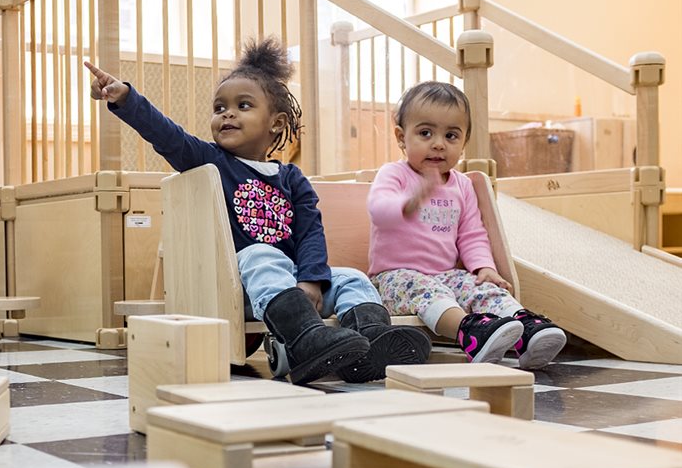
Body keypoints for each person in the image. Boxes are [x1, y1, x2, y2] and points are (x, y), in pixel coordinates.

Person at [86, 37, 430, 385]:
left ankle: (371, 346)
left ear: (276, 123)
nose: (228, 114)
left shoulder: (292, 178)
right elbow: (167, 135)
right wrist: (126, 99)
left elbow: (311, 232)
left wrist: (311, 279)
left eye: (243, 105)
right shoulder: (212, 161)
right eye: (219, 108)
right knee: (261, 254)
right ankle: (303, 342)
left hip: (294, 286)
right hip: (243, 288)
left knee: (351, 278)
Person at [368, 81, 566, 369]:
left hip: (446, 273)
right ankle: (469, 332)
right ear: (401, 137)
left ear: (463, 143)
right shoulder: (395, 175)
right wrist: (409, 201)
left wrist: (484, 267)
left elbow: (471, 234)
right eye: (425, 133)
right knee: (428, 291)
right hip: (395, 278)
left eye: (451, 135)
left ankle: (524, 329)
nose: (438, 143)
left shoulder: (462, 185)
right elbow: (378, 211)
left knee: (480, 287)